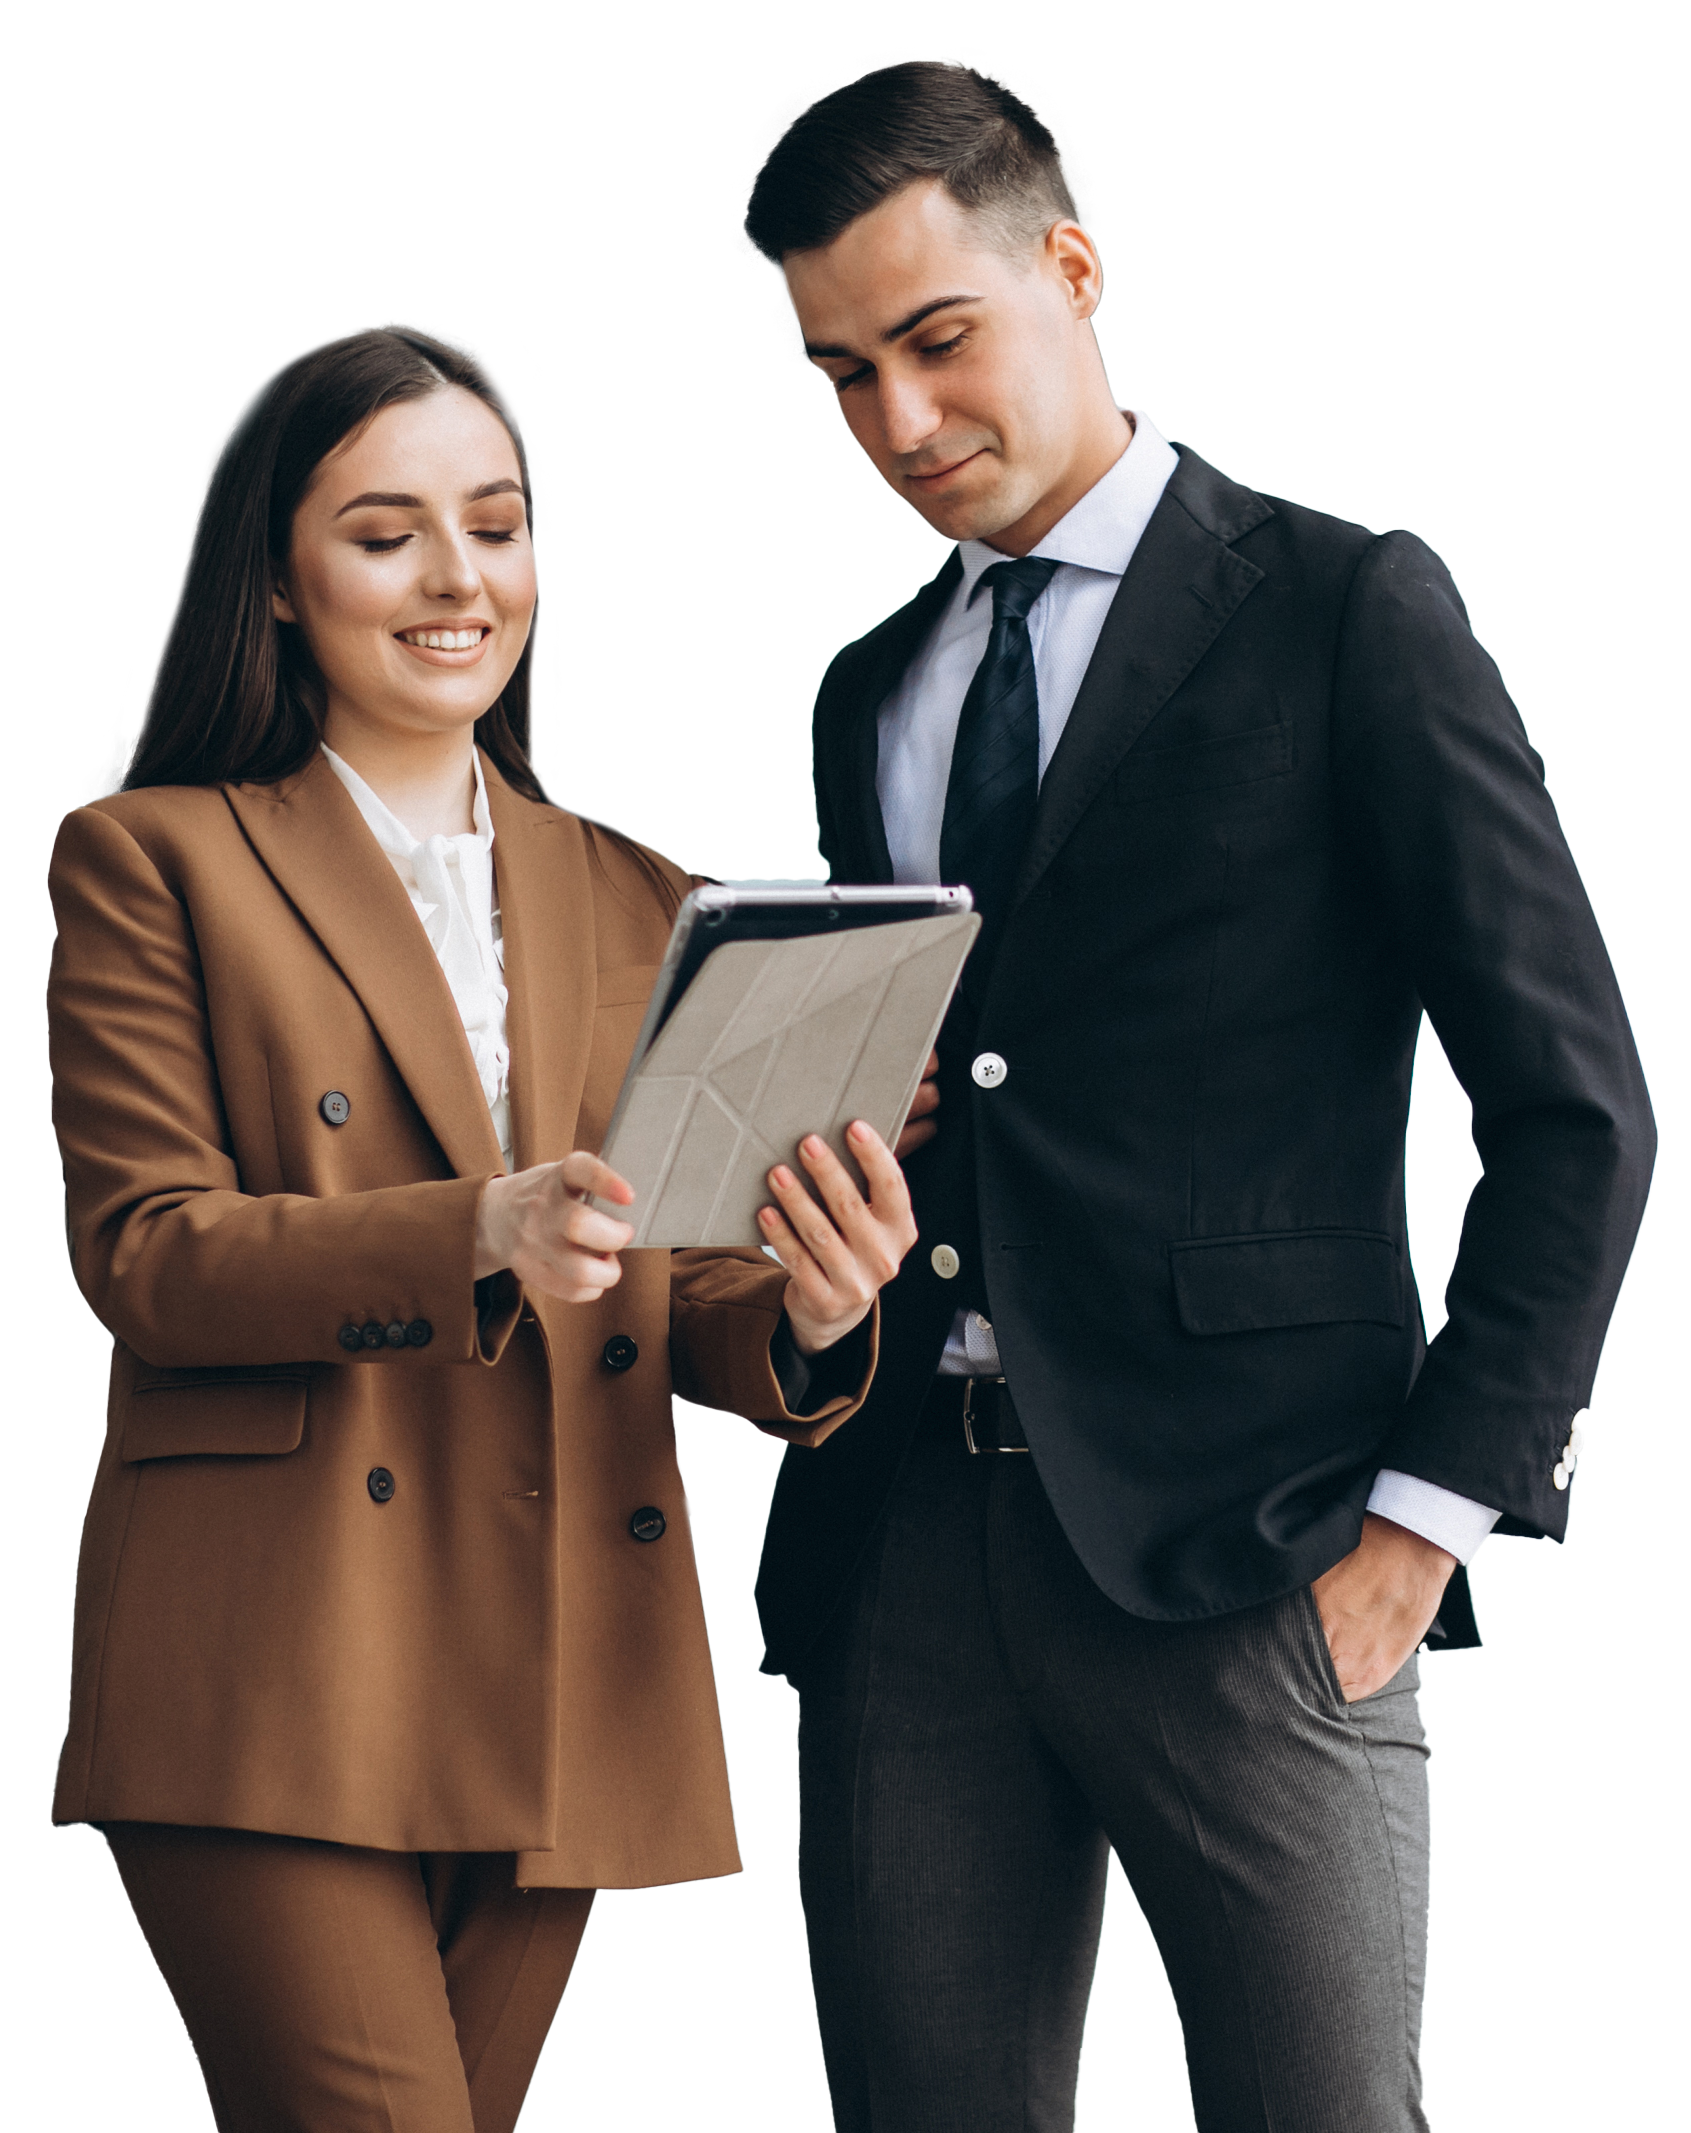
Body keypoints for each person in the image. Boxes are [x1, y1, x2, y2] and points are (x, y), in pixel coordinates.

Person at [739, 61, 1656, 2133]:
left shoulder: (1347, 610)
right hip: (902, 1551)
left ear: (1067, 268)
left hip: (1258, 1552)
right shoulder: (864, 694)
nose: (894, 421)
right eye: (838, 372)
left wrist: (1415, 1532)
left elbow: (1576, 1105)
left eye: (935, 339)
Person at [47, 318, 915, 2132]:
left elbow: (686, 1287)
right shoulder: (155, 861)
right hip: (284, 1656)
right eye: (385, 535)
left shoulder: (641, 892)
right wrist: (476, 1229)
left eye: (497, 523)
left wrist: (815, 1308)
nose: (460, 579)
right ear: (276, 582)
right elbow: (142, 1259)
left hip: (554, 1647)